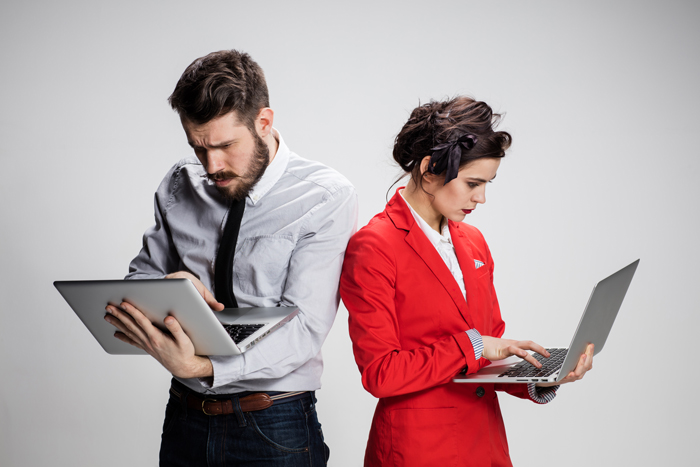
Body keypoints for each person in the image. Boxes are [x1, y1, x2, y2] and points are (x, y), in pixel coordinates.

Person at [103, 50, 357, 466]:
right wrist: (166, 287)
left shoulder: (325, 196)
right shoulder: (180, 183)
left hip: (275, 422)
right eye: (198, 147)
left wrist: (203, 365)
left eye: (224, 145)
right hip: (186, 417)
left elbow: (306, 328)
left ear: (264, 122)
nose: (212, 165)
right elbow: (136, 283)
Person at [339, 96, 594, 467]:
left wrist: (544, 376)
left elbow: (488, 358)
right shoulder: (374, 246)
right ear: (429, 169)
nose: (482, 198)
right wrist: (473, 346)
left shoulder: (473, 241)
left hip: (485, 443)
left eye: (488, 183)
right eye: (474, 183)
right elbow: (381, 374)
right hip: (418, 449)